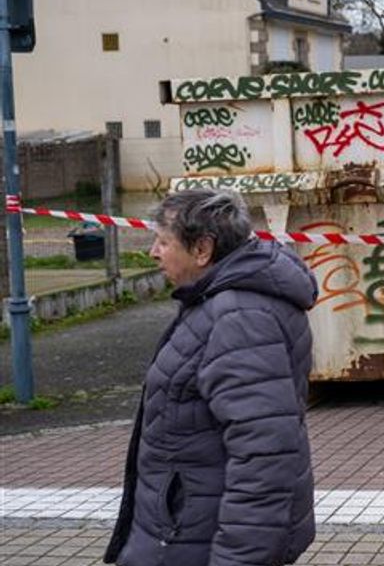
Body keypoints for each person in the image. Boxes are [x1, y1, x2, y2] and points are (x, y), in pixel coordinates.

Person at [105, 189, 318, 566]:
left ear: (202, 250)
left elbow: (263, 456)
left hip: (198, 537)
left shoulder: (239, 317)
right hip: (187, 528)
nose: (153, 252)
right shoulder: (218, 301)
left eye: (163, 241)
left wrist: (237, 559)